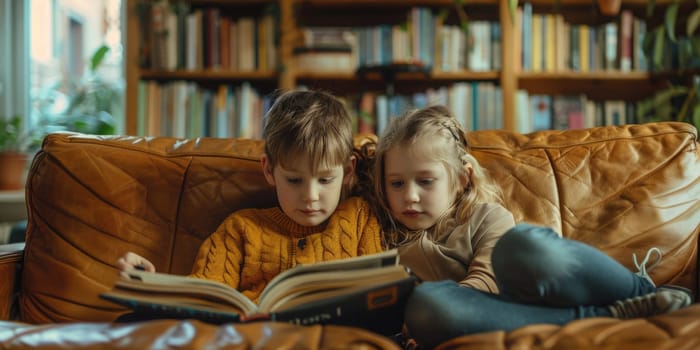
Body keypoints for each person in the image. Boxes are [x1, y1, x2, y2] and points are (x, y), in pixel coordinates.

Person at [366, 105, 692, 349]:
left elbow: (487, 280)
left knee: (520, 245)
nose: (409, 196)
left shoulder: (484, 217)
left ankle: (643, 294)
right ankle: (611, 315)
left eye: (425, 181)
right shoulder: (382, 234)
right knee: (426, 306)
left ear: (461, 179)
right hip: (492, 319)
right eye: (396, 184)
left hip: (529, 297)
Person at [117, 90, 383, 303]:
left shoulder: (359, 218)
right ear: (269, 170)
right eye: (294, 180)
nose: (311, 196)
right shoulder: (241, 228)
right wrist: (152, 285)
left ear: (348, 171)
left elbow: (379, 291)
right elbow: (203, 296)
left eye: (325, 180)